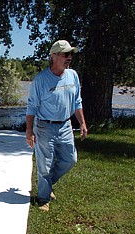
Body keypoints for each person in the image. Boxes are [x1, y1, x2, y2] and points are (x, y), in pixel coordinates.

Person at [25, 40, 88, 211]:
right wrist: (29, 131)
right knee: (44, 165)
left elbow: (77, 101)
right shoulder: (41, 80)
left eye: (70, 55)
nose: (69, 58)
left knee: (70, 160)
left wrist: (82, 123)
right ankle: (43, 198)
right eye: (65, 54)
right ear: (53, 56)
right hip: (45, 127)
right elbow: (32, 107)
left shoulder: (72, 75)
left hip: (65, 126)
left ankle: (48, 184)